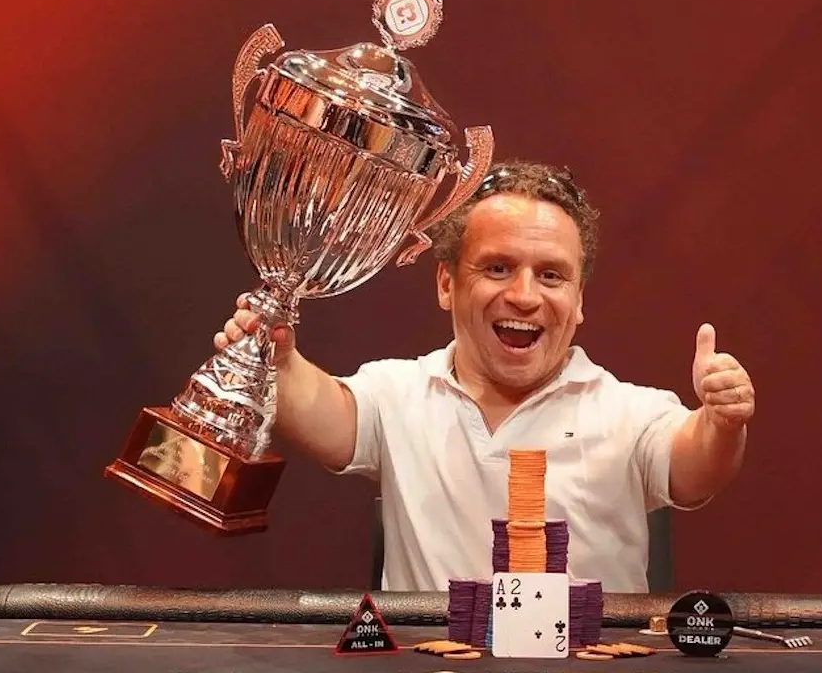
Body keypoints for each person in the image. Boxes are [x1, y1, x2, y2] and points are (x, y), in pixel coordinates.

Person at [214, 160, 756, 593]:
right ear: (446, 284)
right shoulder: (399, 394)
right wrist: (275, 359)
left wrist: (721, 421)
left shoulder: (629, 412)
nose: (524, 295)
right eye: (498, 268)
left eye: (551, 275)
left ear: (578, 301)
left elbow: (694, 465)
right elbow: (323, 412)